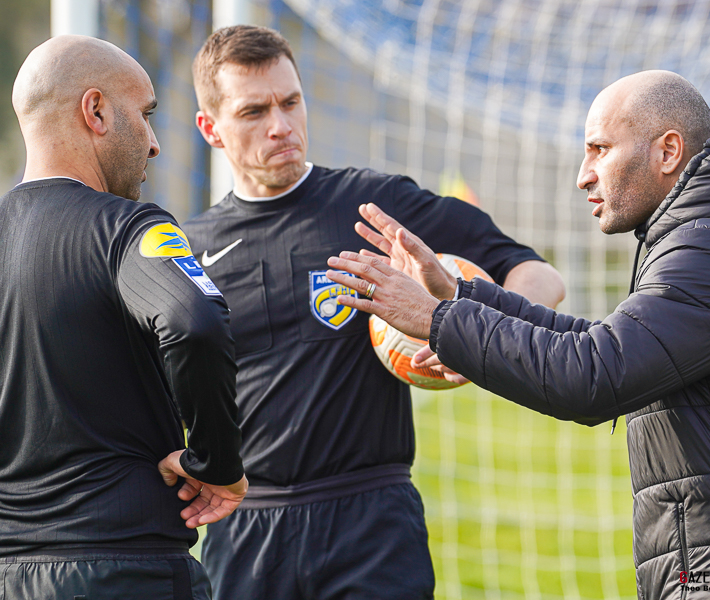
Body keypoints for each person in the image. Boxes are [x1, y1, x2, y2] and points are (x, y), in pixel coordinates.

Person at [327, 70, 710, 599]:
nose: (583, 175)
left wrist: (436, 320)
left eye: (599, 149)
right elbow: (603, 344)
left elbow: (595, 374)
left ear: (667, 152)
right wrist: (460, 296)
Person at [184, 24, 565, 600]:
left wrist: (469, 337)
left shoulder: (373, 210)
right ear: (210, 128)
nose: (281, 126)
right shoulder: (188, 249)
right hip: (246, 528)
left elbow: (539, 277)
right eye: (253, 111)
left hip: (372, 520)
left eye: (291, 102)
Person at [0, 35, 249, 600]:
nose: (154, 143)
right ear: (96, 111)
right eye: (146, 114)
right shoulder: (130, 230)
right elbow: (195, 322)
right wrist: (216, 461)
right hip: (122, 572)